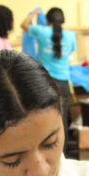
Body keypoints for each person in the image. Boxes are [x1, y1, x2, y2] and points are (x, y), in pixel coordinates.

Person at [20, 7, 76, 142]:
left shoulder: (42, 32)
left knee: (44, 121)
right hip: (63, 83)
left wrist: (33, 13)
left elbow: (24, 25)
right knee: (62, 122)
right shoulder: (70, 35)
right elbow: (71, 51)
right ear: (62, 20)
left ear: (47, 20)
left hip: (45, 83)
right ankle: (64, 155)